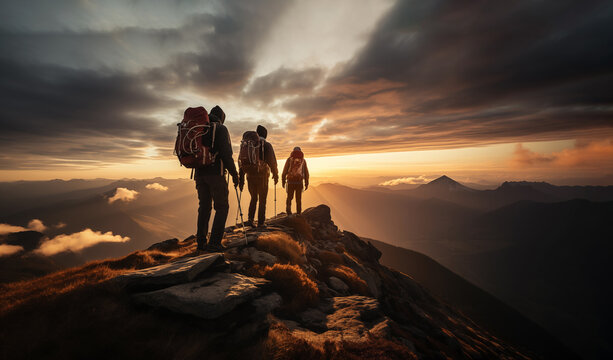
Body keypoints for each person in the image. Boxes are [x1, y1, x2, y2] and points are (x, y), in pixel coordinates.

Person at [194, 105, 239, 252]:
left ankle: (201, 243)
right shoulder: (220, 129)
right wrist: (234, 174)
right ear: (222, 118)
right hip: (216, 174)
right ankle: (214, 243)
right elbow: (226, 155)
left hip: (199, 174)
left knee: (204, 208)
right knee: (222, 207)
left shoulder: (199, 128)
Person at [238, 125, 278, 227]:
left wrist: (241, 179)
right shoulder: (267, 145)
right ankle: (261, 223)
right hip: (263, 177)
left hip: (250, 176)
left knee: (253, 198)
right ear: (265, 134)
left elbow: (242, 162)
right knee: (262, 200)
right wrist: (276, 174)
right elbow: (272, 162)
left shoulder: (248, 145)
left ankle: (250, 220)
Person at [282, 146, 309, 215]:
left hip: (290, 182)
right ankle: (298, 212)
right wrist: (306, 182)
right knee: (298, 198)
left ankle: (288, 211)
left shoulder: (289, 160)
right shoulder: (303, 160)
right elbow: (306, 172)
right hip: (299, 182)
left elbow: (284, 171)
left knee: (289, 197)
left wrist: (283, 181)